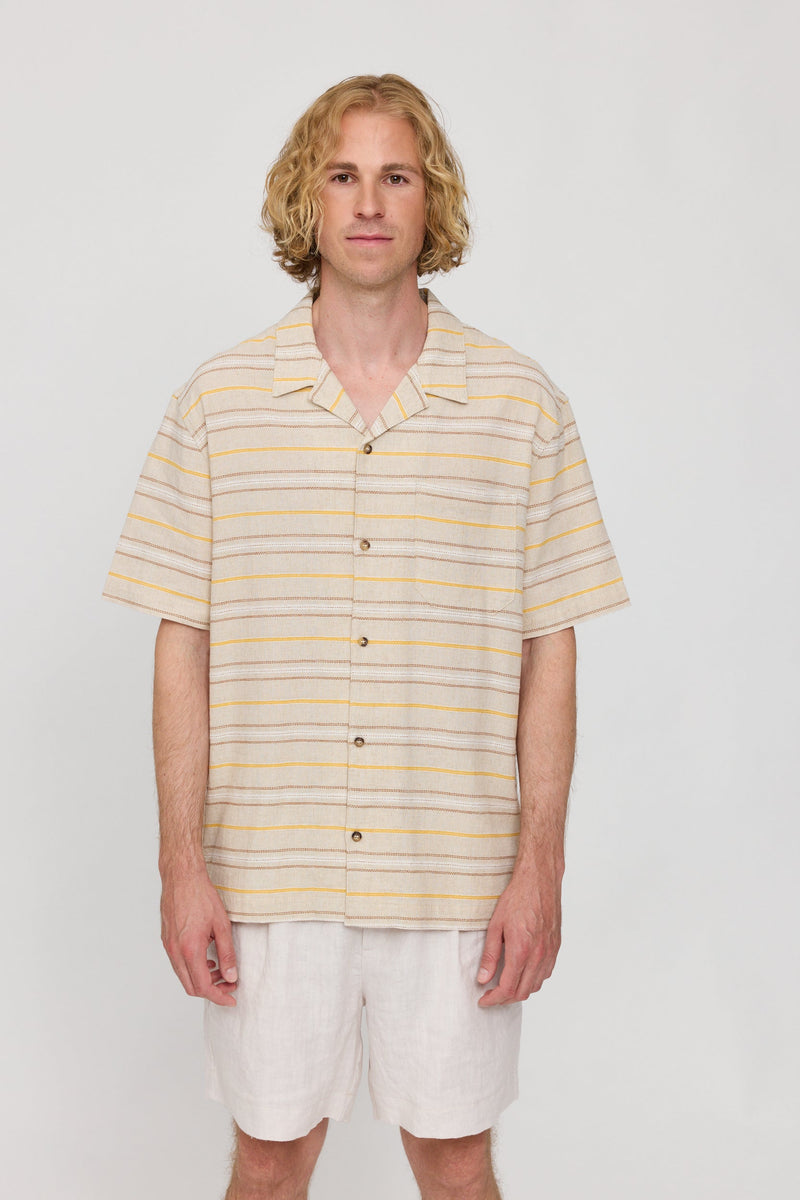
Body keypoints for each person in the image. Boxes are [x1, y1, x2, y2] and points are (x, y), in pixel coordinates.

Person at [104, 73, 629, 1200]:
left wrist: (539, 866)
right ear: (309, 199)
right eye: (343, 176)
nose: (370, 202)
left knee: (456, 1166)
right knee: (267, 1162)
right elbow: (180, 642)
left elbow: (551, 646)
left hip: (455, 875)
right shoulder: (218, 403)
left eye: (397, 175)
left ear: (432, 201)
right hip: (268, 874)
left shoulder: (521, 406)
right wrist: (181, 866)